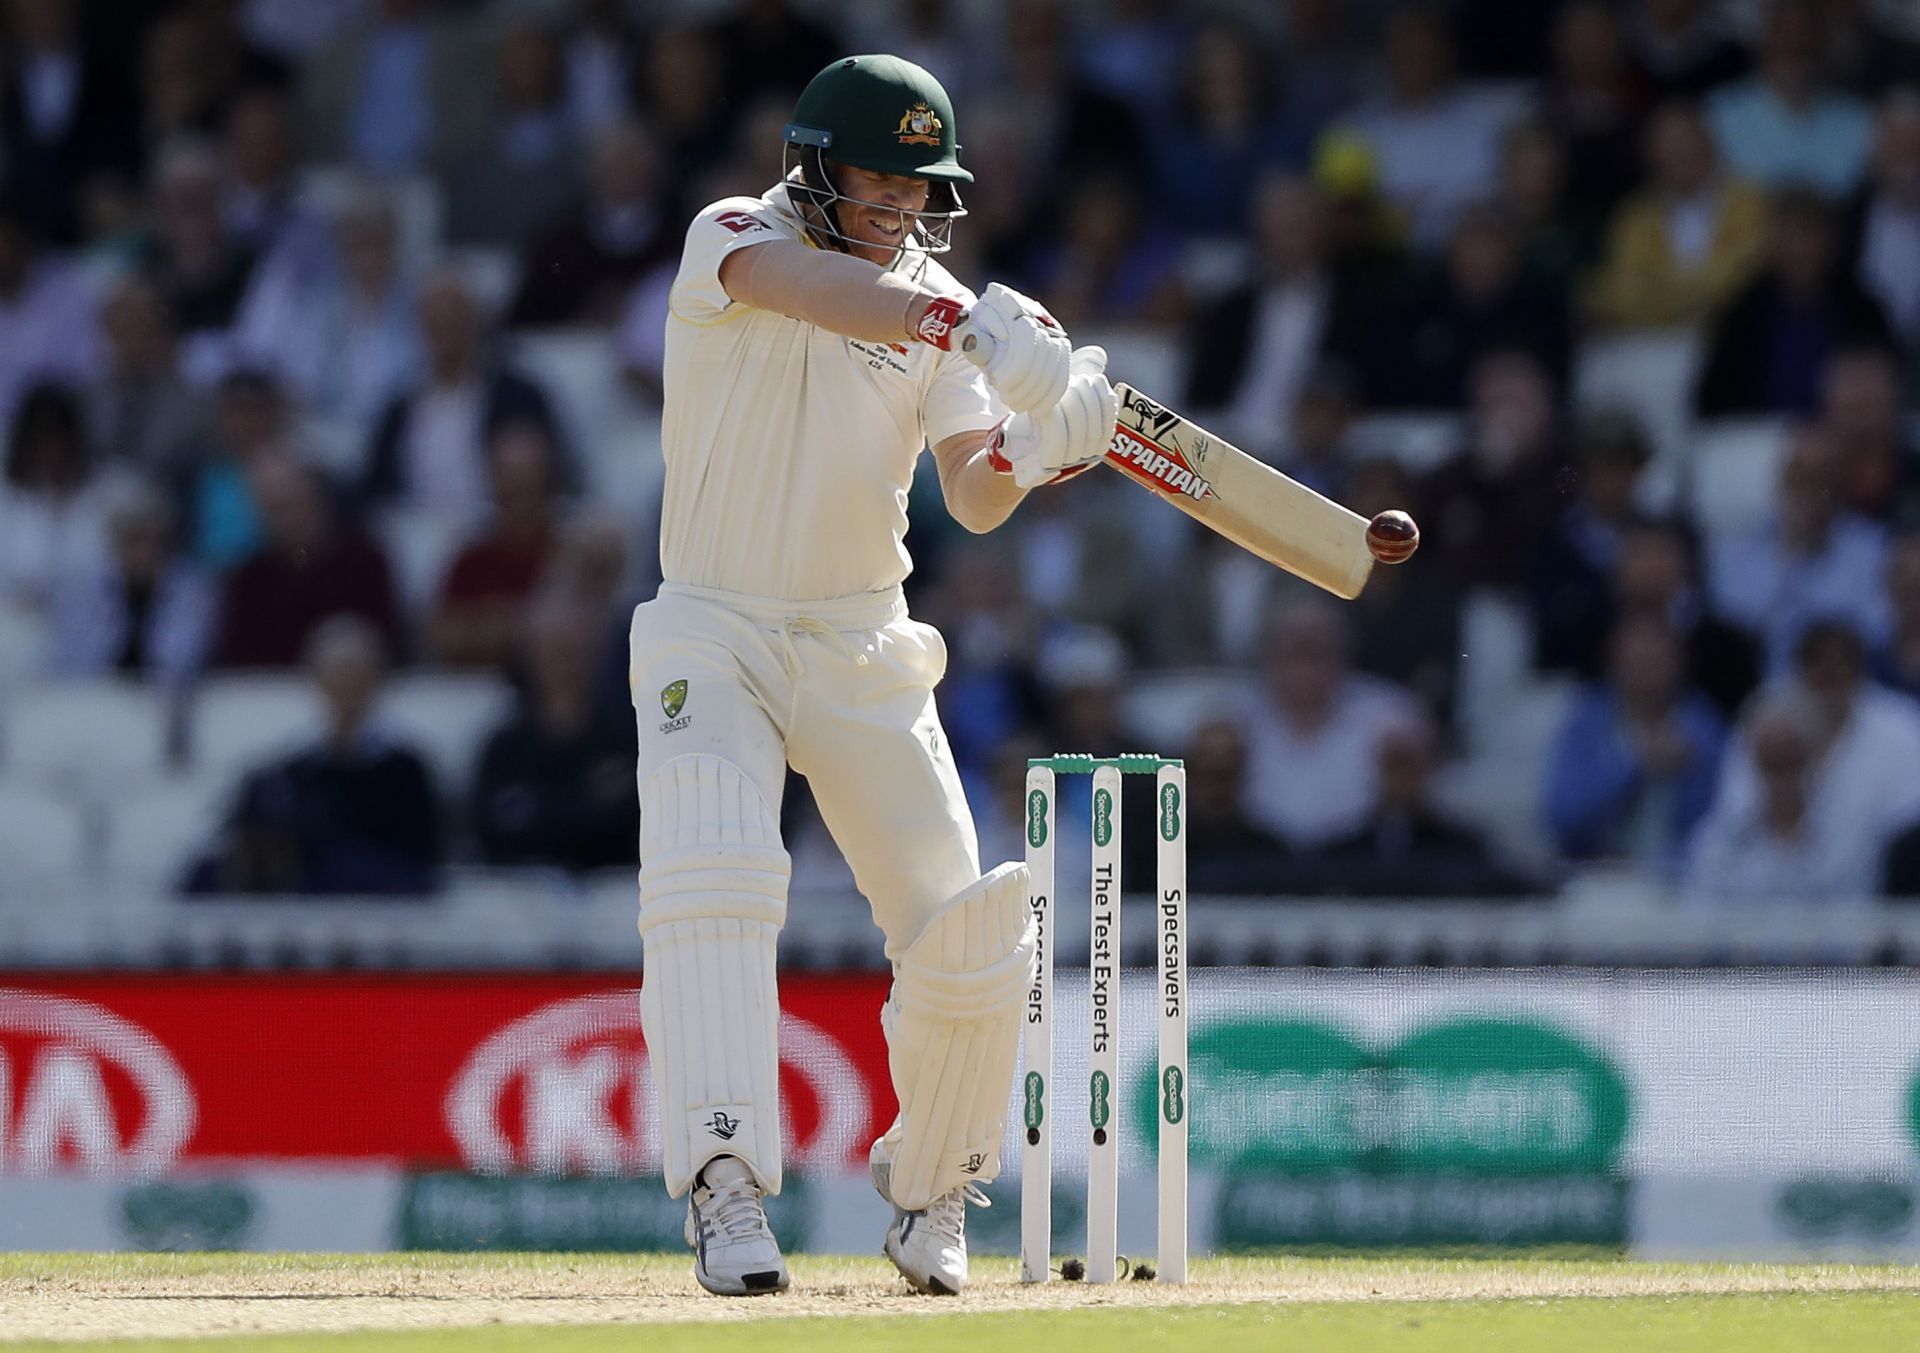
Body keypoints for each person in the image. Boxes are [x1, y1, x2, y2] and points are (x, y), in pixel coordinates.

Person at [629, 56, 1113, 1297]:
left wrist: (1039, 446)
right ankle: (726, 1187)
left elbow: (972, 493)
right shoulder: (730, 237)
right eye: (881, 179)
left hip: (861, 635)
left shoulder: (941, 304)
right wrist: (957, 323)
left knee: (971, 922)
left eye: (922, 185)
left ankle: (935, 1189)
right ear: (814, 164)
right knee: (713, 878)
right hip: (714, 626)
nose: (903, 206)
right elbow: (811, 290)